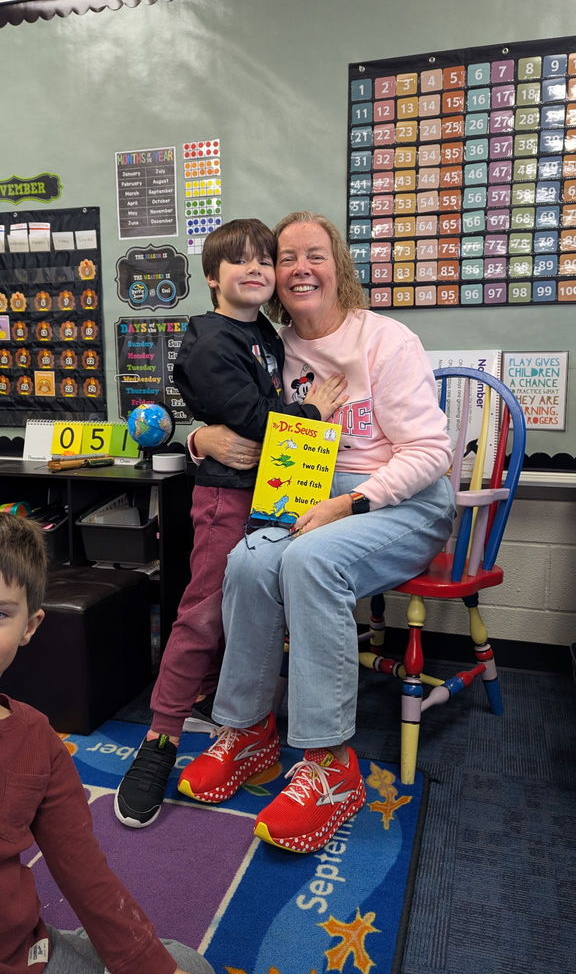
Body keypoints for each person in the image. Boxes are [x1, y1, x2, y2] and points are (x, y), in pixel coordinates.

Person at [176, 211, 456, 854]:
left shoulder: (386, 340)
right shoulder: (270, 347)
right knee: (248, 561)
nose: (300, 268)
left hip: (403, 499)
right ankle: (248, 731)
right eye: (287, 257)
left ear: (339, 268)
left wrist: (350, 503)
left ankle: (331, 766)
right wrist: (200, 437)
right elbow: (224, 408)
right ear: (273, 276)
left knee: (311, 561)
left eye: (316, 256)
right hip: (313, 498)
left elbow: (429, 452)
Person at [114, 218, 347, 829]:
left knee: (258, 611)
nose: (257, 269)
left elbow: (254, 415)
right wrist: (307, 411)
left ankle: (245, 727)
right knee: (203, 614)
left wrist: (220, 432)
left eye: (264, 260)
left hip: (276, 494)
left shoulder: (267, 332)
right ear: (211, 277)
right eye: (239, 260)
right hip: (227, 499)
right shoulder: (209, 338)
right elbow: (249, 416)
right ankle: (159, 740)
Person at [0, 512, 214, 974]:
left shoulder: (36, 738)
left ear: (30, 626)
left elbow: (82, 870)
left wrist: (151, 966)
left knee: (187, 966)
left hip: (21, 953)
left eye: (0, 614)